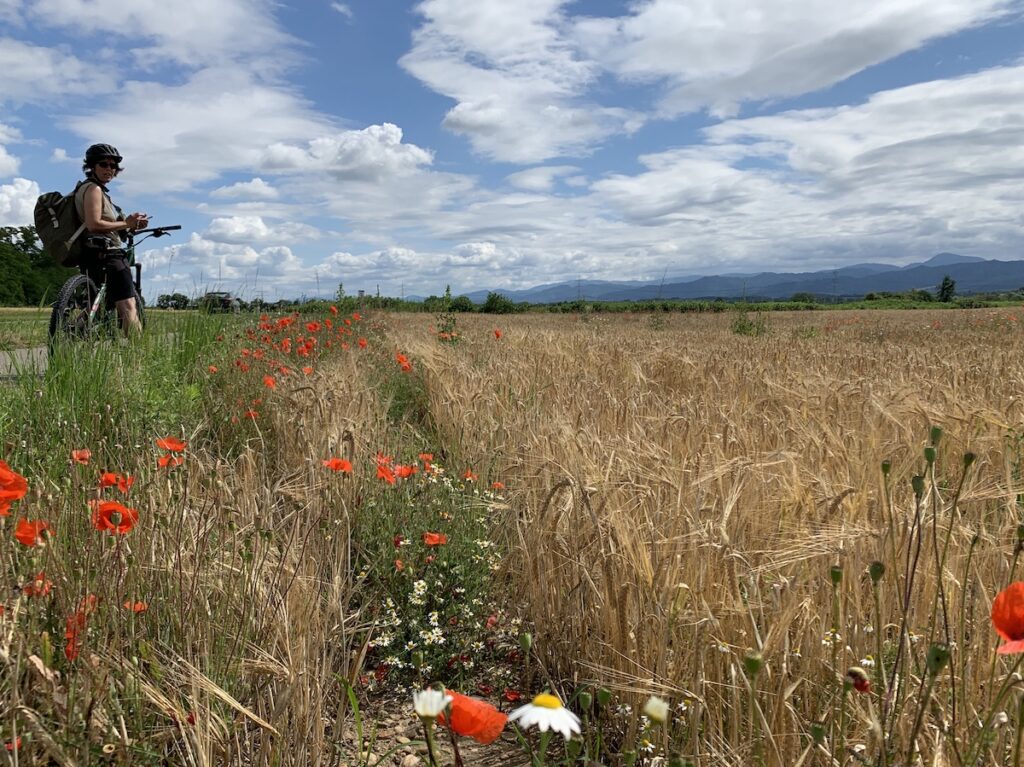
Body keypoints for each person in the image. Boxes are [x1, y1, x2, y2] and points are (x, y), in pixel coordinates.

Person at [75, 143, 149, 335]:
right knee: (129, 306)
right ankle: (137, 355)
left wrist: (131, 225)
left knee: (97, 305)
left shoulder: (94, 190)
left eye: (113, 166)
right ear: (92, 166)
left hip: (91, 253)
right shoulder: (93, 189)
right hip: (108, 254)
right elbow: (94, 224)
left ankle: (70, 333)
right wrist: (127, 224)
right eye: (104, 164)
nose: (109, 169)